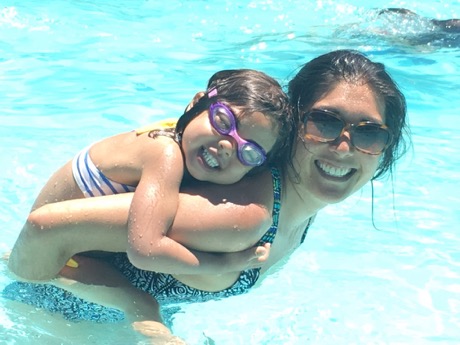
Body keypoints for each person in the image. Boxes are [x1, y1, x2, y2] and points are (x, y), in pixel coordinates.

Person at [6, 50, 410, 335]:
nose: (342, 146)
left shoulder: (302, 203)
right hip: (45, 323)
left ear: (384, 153)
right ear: (292, 127)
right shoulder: (241, 218)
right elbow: (46, 226)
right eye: (324, 122)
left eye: (369, 132)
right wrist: (140, 310)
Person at [8, 68, 294, 281]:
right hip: (50, 259)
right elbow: (145, 250)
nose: (226, 146)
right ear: (196, 104)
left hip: (61, 249)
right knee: (143, 309)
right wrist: (224, 264)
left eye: (249, 152)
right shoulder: (165, 153)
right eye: (223, 121)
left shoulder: (179, 137)